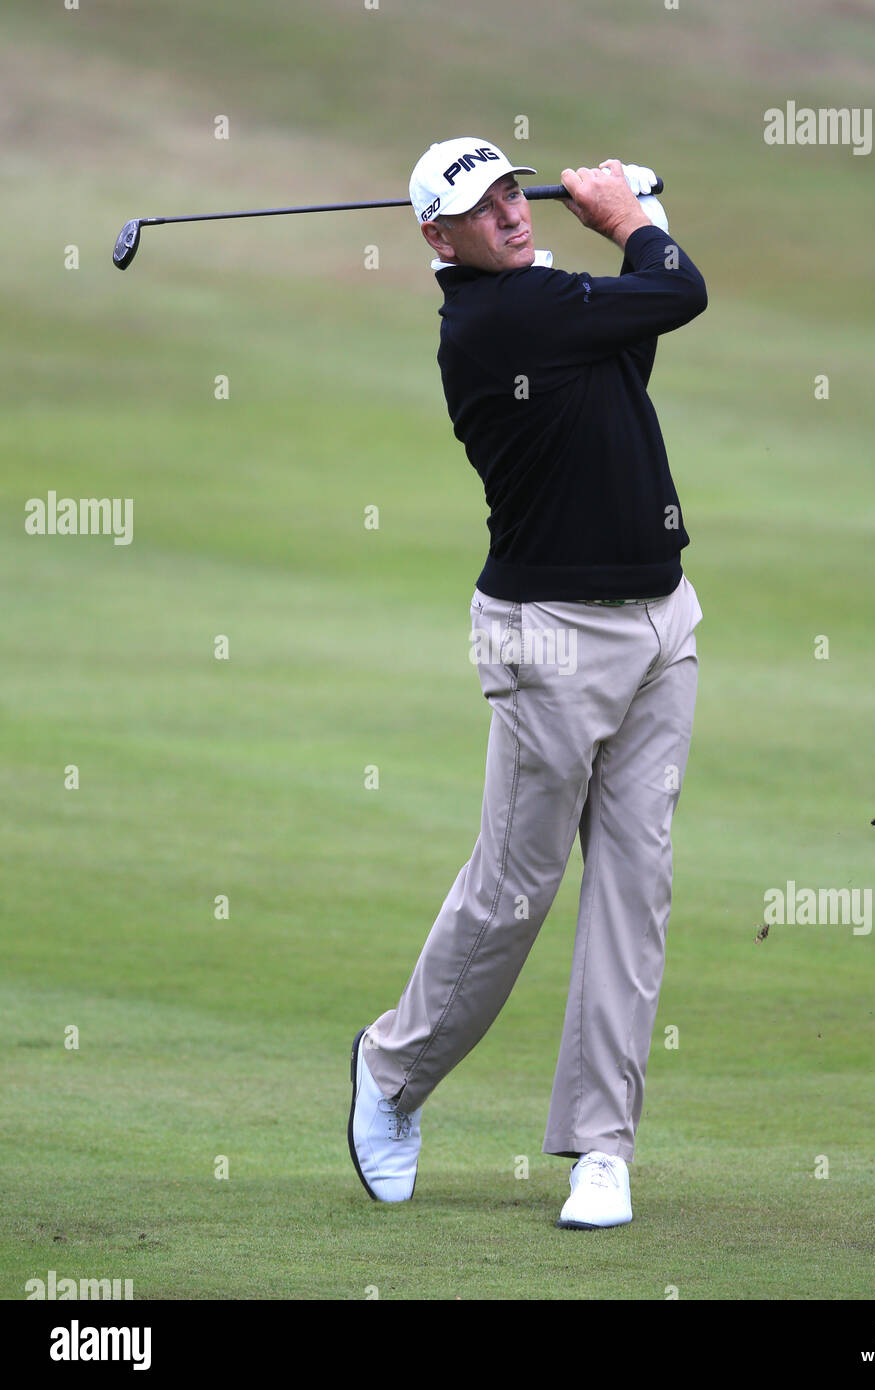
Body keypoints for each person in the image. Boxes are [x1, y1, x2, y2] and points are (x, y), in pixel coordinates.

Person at [348, 136, 707, 1229]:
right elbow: (675, 292)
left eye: (512, 190)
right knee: (516, 888)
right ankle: (391, 1072)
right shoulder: (498, 321)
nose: (507, 211)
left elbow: (633, 338)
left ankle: (601, 1148)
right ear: (435, 237)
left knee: (633, 891)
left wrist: (629, 226)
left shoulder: (553, 306)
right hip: (547, 636)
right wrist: (629, 215)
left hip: (660, 620)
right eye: (479, 204)